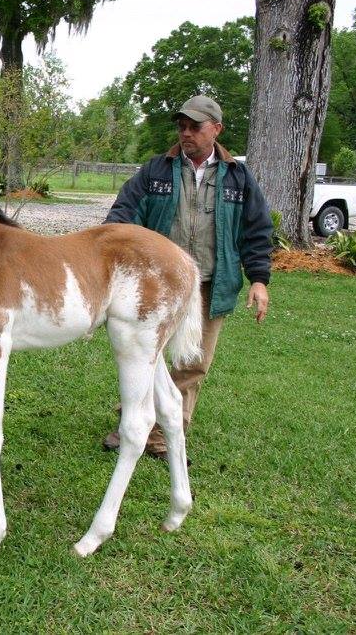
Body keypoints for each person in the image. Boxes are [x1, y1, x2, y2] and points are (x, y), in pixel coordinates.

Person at [102, 95, 272, 459]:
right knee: (145, 353)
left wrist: (259, 279)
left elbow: (257, 230)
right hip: (158, 286)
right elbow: (122, 214)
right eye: (182, 126)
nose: (186, 133)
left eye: (195, 126)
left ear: (216, 129)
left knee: (193, 362)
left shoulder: (239, 178)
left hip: (210, 284)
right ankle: (132, 423)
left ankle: (163, 435)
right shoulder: (156, 171)